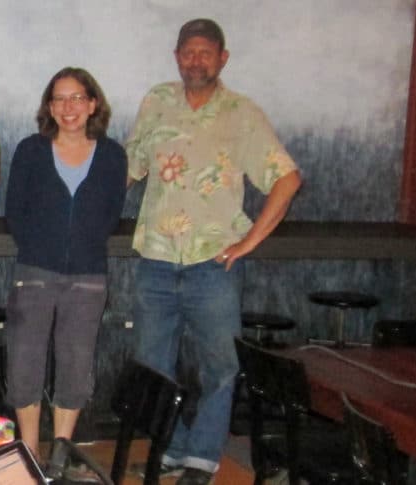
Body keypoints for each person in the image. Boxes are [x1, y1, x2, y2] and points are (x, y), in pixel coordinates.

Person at [125, 19, 302, 485]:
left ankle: (202, 459)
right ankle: (170, 449)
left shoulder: (242, 114)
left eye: (206, 52)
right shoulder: (156, 102)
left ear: (223, 58)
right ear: (177, 56)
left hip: (214, 266)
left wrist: (250, 241)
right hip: (156, 262)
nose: (196, 59)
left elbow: (287, 179)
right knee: (151, 365)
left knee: (221, 368)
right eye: (188, 51)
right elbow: (129, 168)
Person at [4, 67, 127, 460]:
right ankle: (27, 448)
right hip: (35, 272)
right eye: (59, 98)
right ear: (49, 107)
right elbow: (15, 212)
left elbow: (110, 214)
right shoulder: (30, 150)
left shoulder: (112, 155)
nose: (68, 107)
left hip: (89, 276)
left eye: (77, 98)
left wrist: (82, 245)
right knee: (25, 362)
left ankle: (60, 451)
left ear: (93, 104)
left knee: (75, 364)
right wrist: (43, 248)